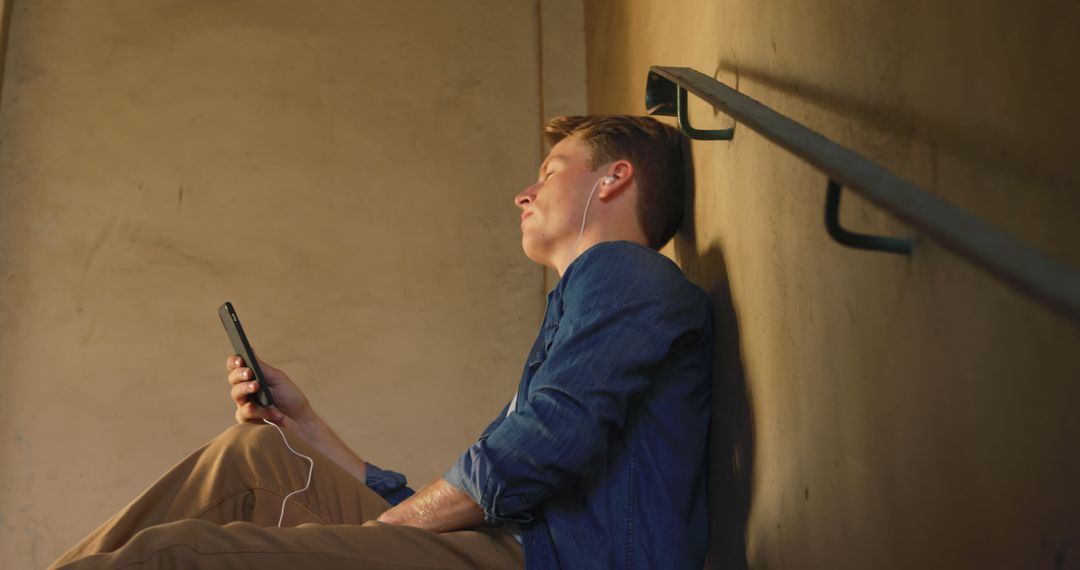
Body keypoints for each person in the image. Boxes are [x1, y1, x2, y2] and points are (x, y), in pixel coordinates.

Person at [50, 115, 714, 569]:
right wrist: (303, 426)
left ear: (615, 178)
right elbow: (475, 494)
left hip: (546, 561)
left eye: (551, 170)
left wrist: (370, 540)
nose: (524, 193)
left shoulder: (625, 272)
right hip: (509, 544)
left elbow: (541, 445)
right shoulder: (592, 299)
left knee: (172, 559)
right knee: (258, 452)